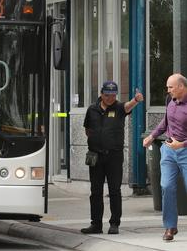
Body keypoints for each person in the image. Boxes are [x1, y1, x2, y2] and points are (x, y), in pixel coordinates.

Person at [80, 81, 144, 235]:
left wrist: (136, 100)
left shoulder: (119, 108)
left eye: (113, 95)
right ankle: (96, 224)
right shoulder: (92, 109)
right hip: (95, 155)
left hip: (114, 156)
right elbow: (88, 130)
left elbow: (127, 106)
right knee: (95, 191)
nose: (110, 98)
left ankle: (114, 224)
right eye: (107, 95)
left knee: (114, 190)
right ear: (101, 94)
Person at [142, 73, 187, 241]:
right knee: (167, 186)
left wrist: (182, 144)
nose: (168, 90)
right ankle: (170, 227)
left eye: (171, 87)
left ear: (181, 87)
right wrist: (152, 136)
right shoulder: (170, 101)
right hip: (168, 151)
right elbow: (165, 122)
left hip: (185, 151)